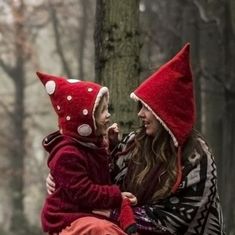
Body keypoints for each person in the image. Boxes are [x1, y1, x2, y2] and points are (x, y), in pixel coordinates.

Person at [47, 43, 225, 235]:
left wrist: (114, 212)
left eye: (146, 108)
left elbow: (176, 219)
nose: (140, 114)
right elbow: (97, 179)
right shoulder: (135, 142)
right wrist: (61, 175)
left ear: (165, 112)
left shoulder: (197, 155)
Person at [36, 72, 138, 235]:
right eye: (102, 111)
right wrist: (116, 195)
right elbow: (84, 192)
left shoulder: (90, 145)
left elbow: (101, 172)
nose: (108, 115)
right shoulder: (67, 154)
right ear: (84, 121)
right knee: (105, 231)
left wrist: (111, 146)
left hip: (86, 213)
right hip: (66, 218)